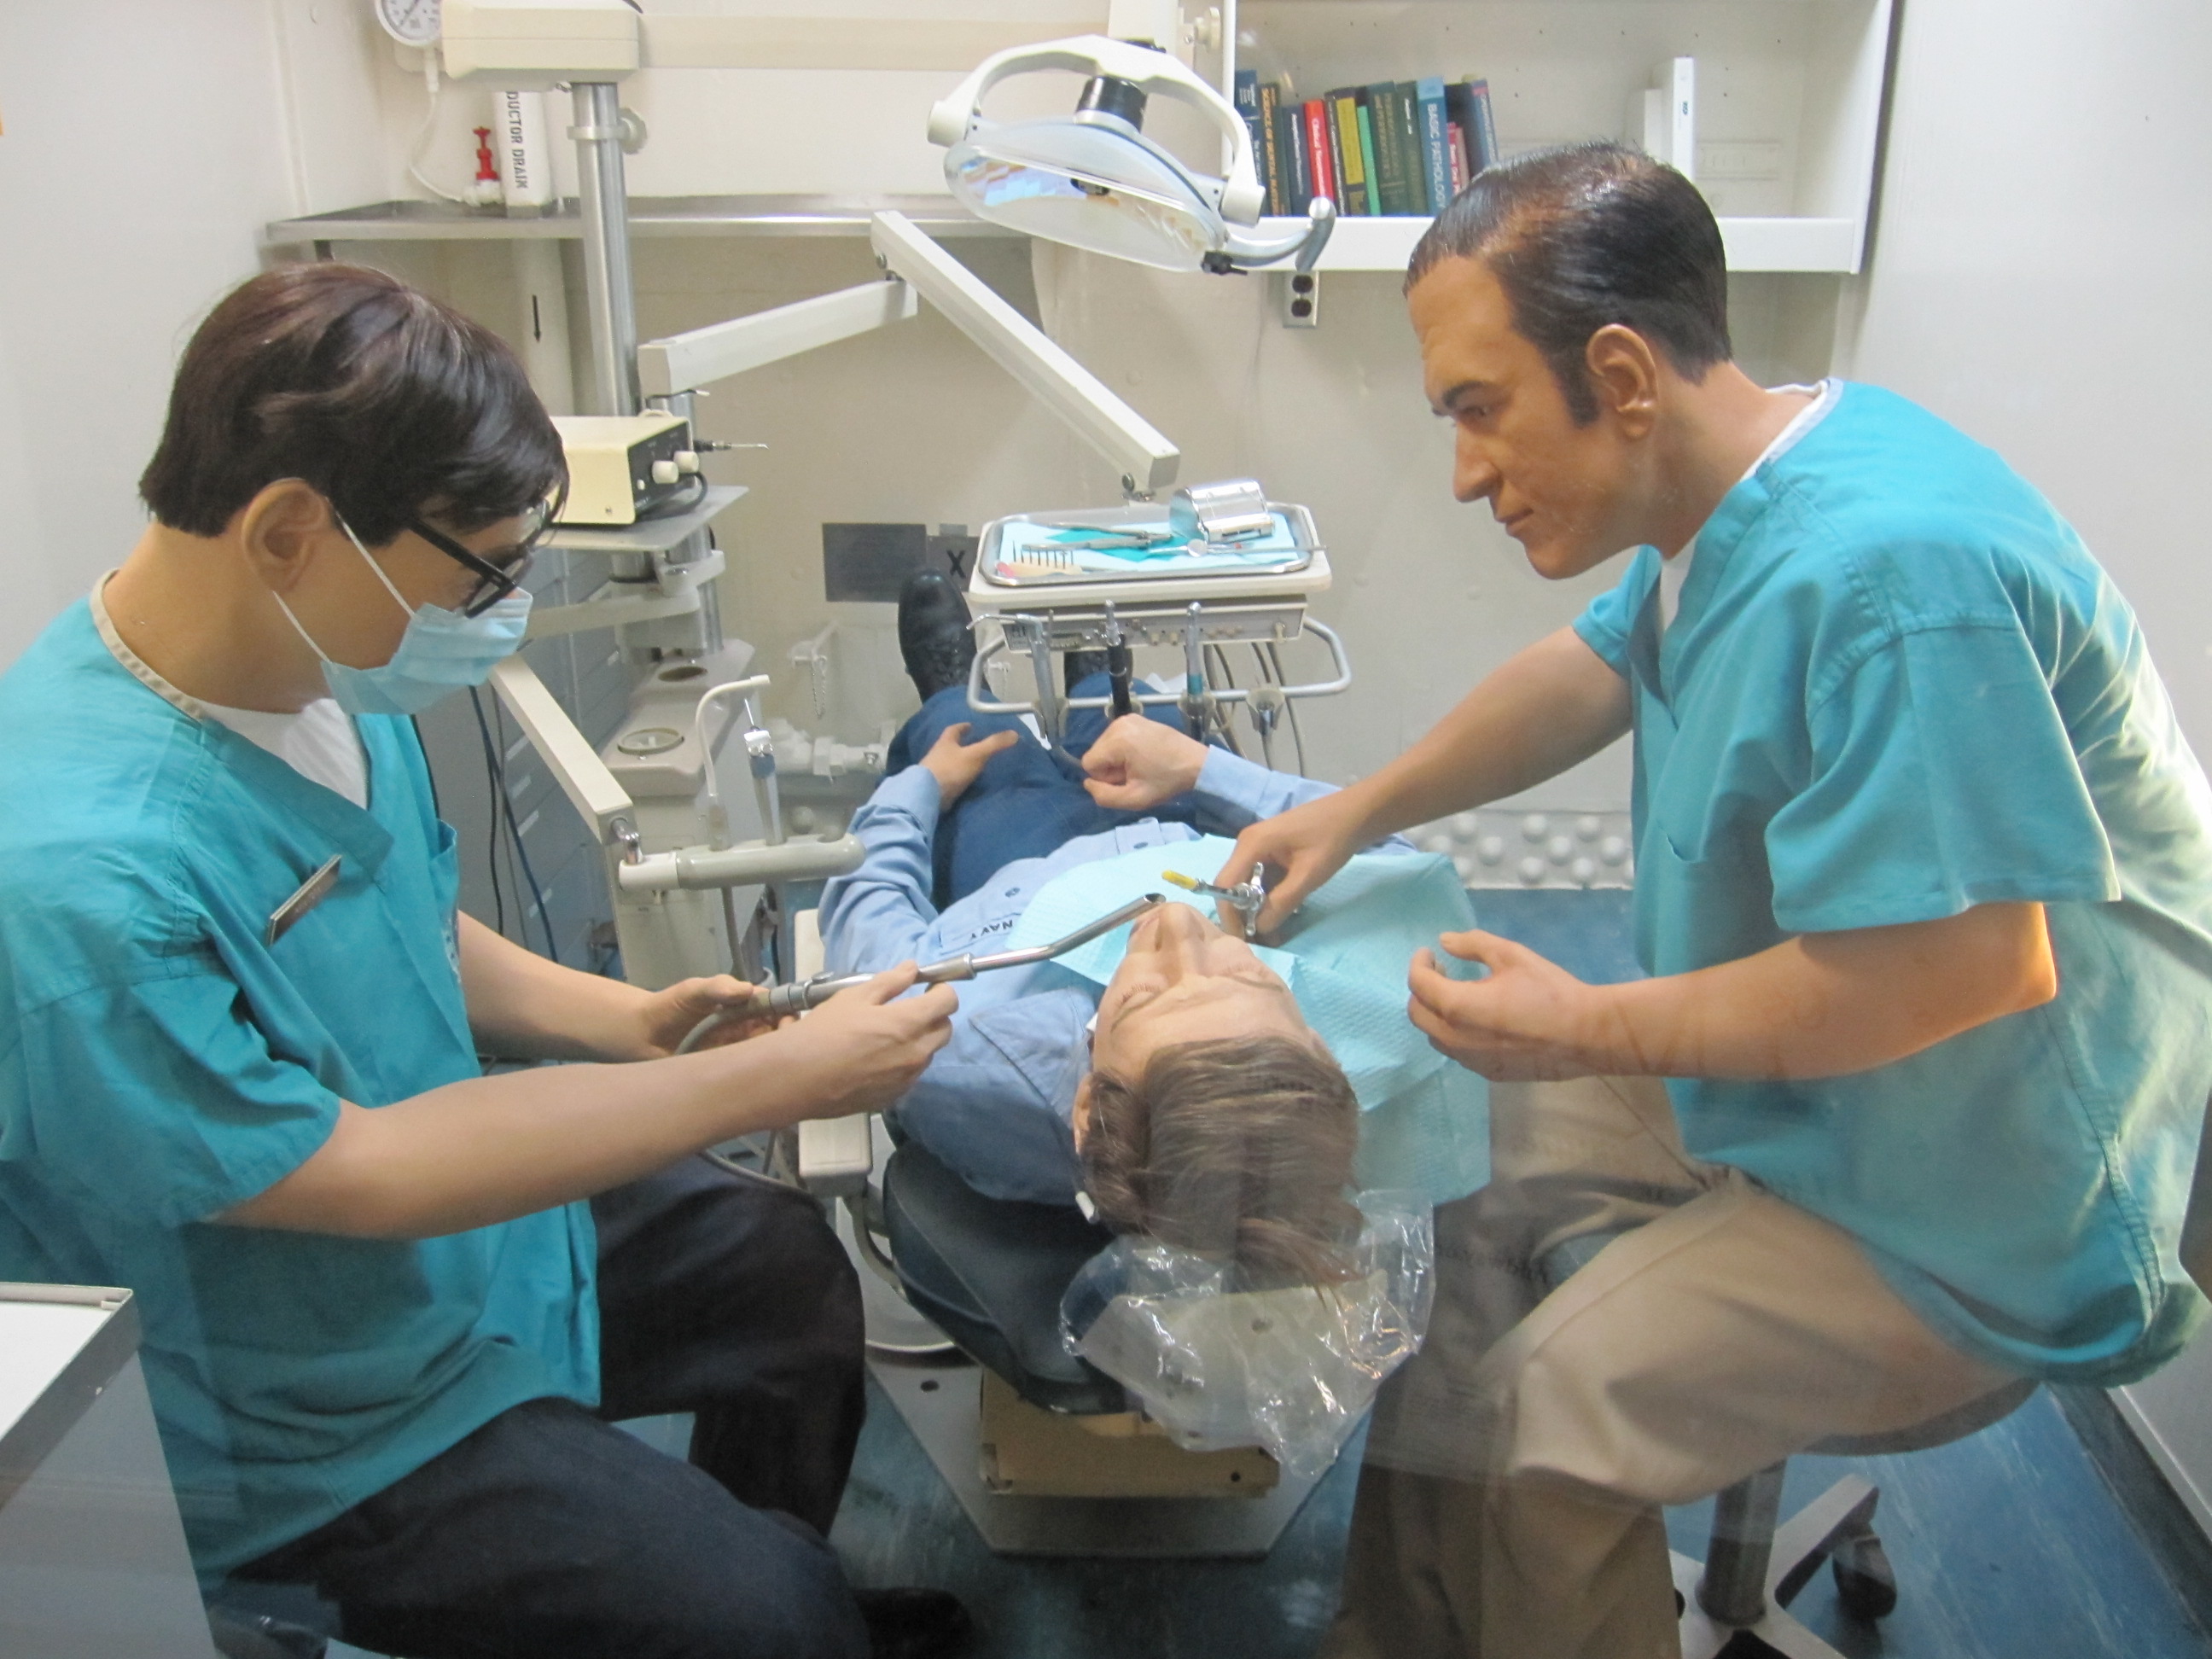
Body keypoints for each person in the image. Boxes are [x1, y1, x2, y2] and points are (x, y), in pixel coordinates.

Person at [1211, 143, 2212, 1657]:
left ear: (1619, 374)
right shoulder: (1747, 483)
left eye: (1477, 408)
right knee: (1444, 1161)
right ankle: (1406, 1633)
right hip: (1817, 1091)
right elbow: (1597, 662)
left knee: (1549, 1415)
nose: (1465, 471)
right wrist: (1359, 806)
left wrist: (1582, 1026)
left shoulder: (1888, 575)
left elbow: (1960, 971)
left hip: (1977, 1188)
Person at [0, 265, 969, 1659]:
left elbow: (400, 912)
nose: (496, 606)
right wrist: (778, 1080)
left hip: (455, 1239)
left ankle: (754, 1575)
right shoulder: (81, 880)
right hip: (293, 1403)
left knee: (781, 1275)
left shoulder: (308, 667)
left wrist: (626, 1019)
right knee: (769, 1621)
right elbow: (363, 1171)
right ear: (291, 530)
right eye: (481, 571)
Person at [818, 573, 1489, 1252]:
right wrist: (1204, 769)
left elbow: (867, 915)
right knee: (1134, 718)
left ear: (1088, 1107)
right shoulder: (1411, 1014)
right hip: (1194, 828)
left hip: (1021, 867)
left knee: (972, 733)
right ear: (1323, 1053)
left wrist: (918, 789)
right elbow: (1377, 849)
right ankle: (1093, 675)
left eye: (1139, 996)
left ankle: (949, 690)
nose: (1177, 920)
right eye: (1250, 974)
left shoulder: (965, 1053)